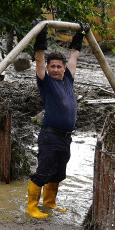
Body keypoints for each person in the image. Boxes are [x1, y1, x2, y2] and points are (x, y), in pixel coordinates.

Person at [26, 23, 88, 219]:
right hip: (50, 136)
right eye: (51, 66)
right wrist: (42, 33)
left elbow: (74, 56)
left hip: (66, 138)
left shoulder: (68, 79)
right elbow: (38, 58)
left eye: (58, 66)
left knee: (59, 172)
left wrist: (80, 34)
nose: (55, 69)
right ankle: (31, 207)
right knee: (44, 171)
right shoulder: (45, 82)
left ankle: (50, 203)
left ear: (63, 68)